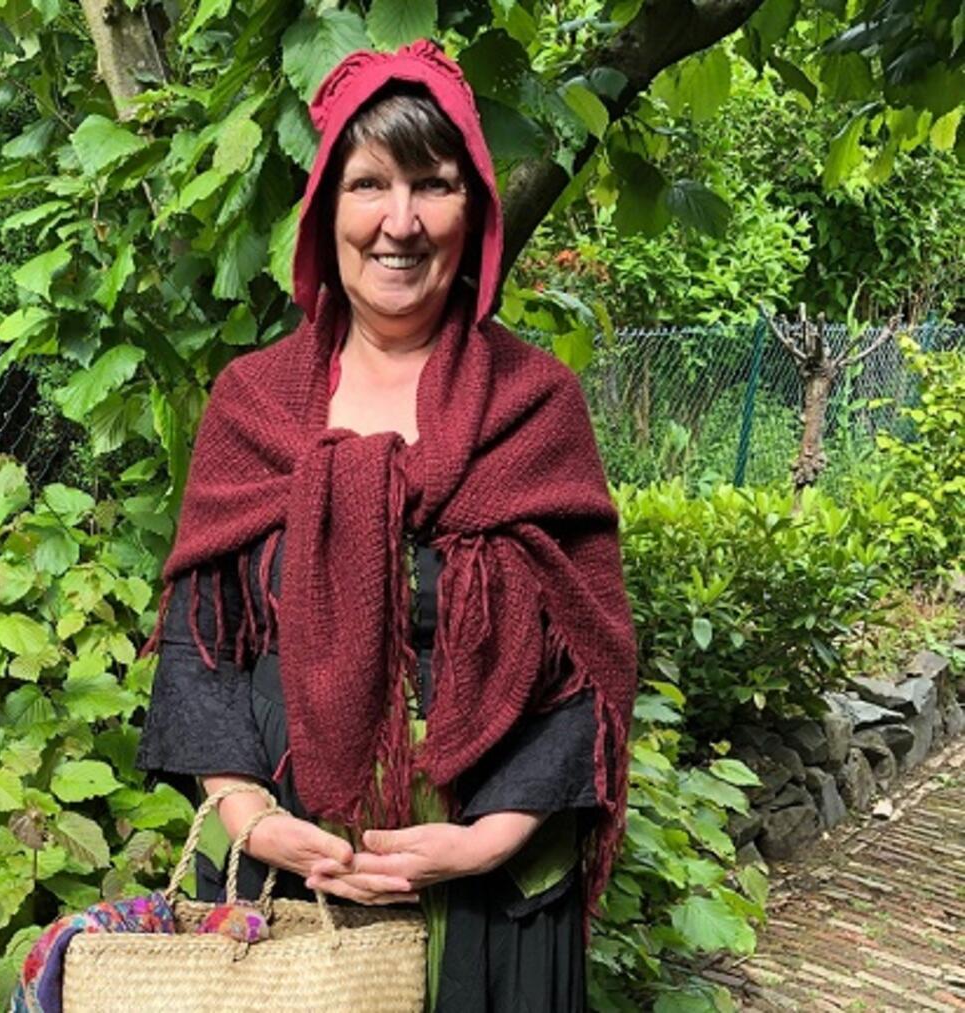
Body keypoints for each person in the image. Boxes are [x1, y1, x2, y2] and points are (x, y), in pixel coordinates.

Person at [137, 40, 637, 1011]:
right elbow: (203, 642)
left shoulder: (538, 406)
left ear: (475, 209)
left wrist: (491, 834)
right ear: (326, 208)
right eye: (369, 183)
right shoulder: (255, 405)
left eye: (432, 184)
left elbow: (588, 651)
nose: (399, 222)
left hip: (498, 904)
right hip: (288, 900)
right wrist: (248, 813)